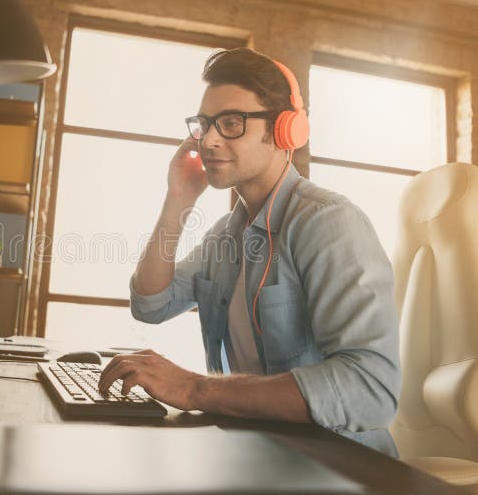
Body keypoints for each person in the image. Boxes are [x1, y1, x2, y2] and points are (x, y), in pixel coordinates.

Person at [98, 47, 401, 456]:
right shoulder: (226, 235)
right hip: (258, 455)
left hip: (340, 467)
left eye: (231, 123)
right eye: (204, 124)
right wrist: (178, 198)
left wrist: (195, 389)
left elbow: (371, 389)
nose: (208, 140)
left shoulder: (328, 223)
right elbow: (150, 305)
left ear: (283, 130)